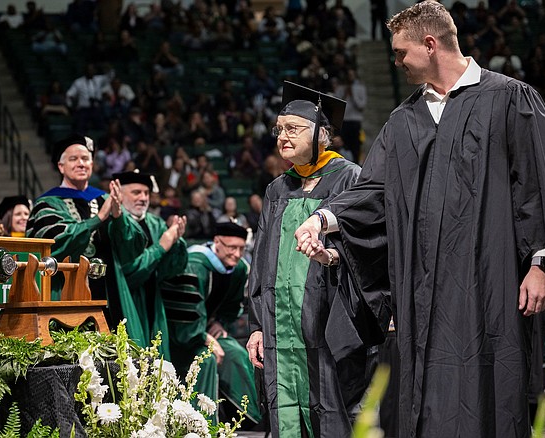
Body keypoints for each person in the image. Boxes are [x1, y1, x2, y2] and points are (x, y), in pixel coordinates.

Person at [294, 2, 545, 437]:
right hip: (422, 294)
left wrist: (541, 264)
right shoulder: (404, 120)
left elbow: (541, 185)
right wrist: (323, 218)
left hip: (491, 287)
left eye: (402, 52)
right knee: (424, 399)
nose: (396, 61)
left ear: (430, 44)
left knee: (492, 392)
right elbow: (374, 191)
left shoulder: (509, 99)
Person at [247, 81, 380, 437]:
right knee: (284, 407)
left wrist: (333, 255)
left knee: (334, 407)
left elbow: (371, 245)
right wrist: (257, 325)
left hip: (328, 321)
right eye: (280, 129)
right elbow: (260, 262)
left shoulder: (351, 178)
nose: (282, 137)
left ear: (321, 135)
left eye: (293, 129)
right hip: (280, 326)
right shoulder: (277, 189)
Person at [161, 222, 261, 424]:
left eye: (242, 249)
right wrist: (203, 336)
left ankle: (243, 421)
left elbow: (232, 305)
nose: (237, 254)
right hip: (179, 336)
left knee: (236, 353)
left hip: (203, 330)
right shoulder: (194, 264)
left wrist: (220, 323)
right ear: (217, 242)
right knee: (206, 361)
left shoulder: (239, 268)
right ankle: (200, 424)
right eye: (232, 248)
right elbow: (181, 311)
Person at [25, 134, 124, 326]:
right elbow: (54, 245)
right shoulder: (47, 203)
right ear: (61, 166)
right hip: (63, 290)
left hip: (109, 290)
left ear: (92, 164)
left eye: (86, 159)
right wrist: (98, 219)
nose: (81, 163)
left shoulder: (104, 199)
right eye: (73, 159)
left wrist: (119, 218)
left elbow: (129, 246)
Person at [111, 170, 188, 360]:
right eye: (136, 192)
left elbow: (169, 270)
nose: (143, 198)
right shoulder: (115, 224)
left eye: (146, 193)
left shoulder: (155, 223)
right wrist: (162, 246)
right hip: (125, 299)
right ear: (120, 195)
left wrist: (176, 242)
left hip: (153, 299)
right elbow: (129, 272)